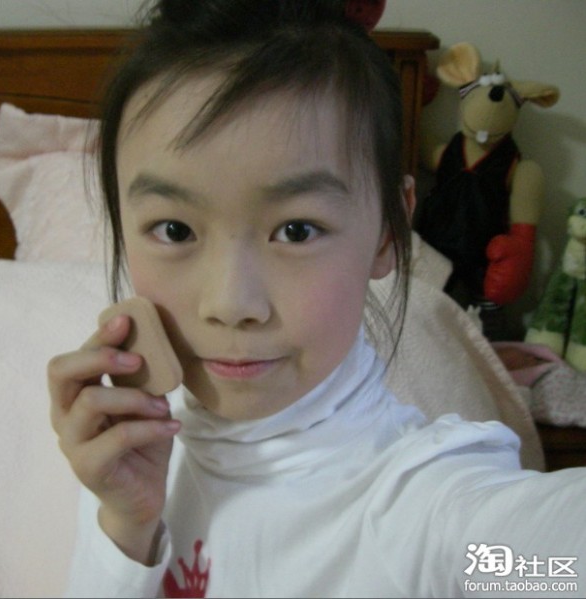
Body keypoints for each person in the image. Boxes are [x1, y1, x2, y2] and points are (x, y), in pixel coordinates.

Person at [48, 1, 585, 597]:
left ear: (387, 232)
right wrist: (126, 527)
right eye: (174, 230)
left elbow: (554, 566)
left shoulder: (430, 517)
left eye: (297, 230)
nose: (231, 304)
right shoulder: (129, 464)